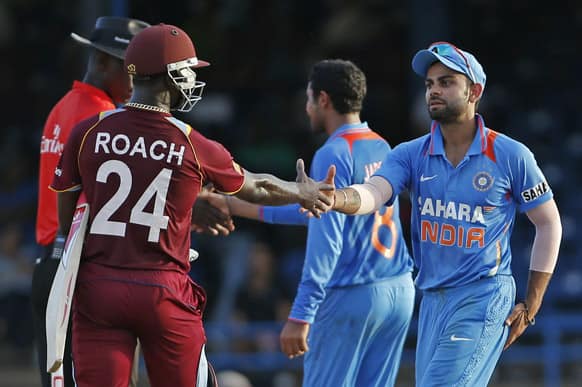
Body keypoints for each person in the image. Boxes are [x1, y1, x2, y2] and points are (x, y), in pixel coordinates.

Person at [50, 23, 334, 387]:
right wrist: (301, 192)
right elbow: (256, 187)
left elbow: (68, 214)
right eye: (187, 70)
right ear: (170, 75)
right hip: (162, 288)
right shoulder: (191, 142)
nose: (191, 79)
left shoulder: (89, 130)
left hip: (99, 286)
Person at [326, 42, 562, 386]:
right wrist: (336, 198)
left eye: (446, 82)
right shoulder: (410, 153)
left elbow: (549, 223)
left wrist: (532, 302)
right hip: (433, 300)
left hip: (483, 294)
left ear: (474, 91)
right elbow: (374, 194)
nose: (434, 90)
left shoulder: (511, 154)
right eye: (429, 84)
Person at [213, 59, 415, 387]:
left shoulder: (332, 152)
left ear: (323, 99)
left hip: (353, 293)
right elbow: (318, 214)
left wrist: (301, 314)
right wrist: (232, 205)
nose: (306, 109)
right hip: (398, 290)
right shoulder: (380, 144)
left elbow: (328, 241)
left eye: (308, 99)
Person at [32, 16, 151, 387]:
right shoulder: (102, 118)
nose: (137, 83)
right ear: (101, 61)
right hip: (79, 273)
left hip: (51, 267)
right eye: (131, 71)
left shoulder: (61, 108)